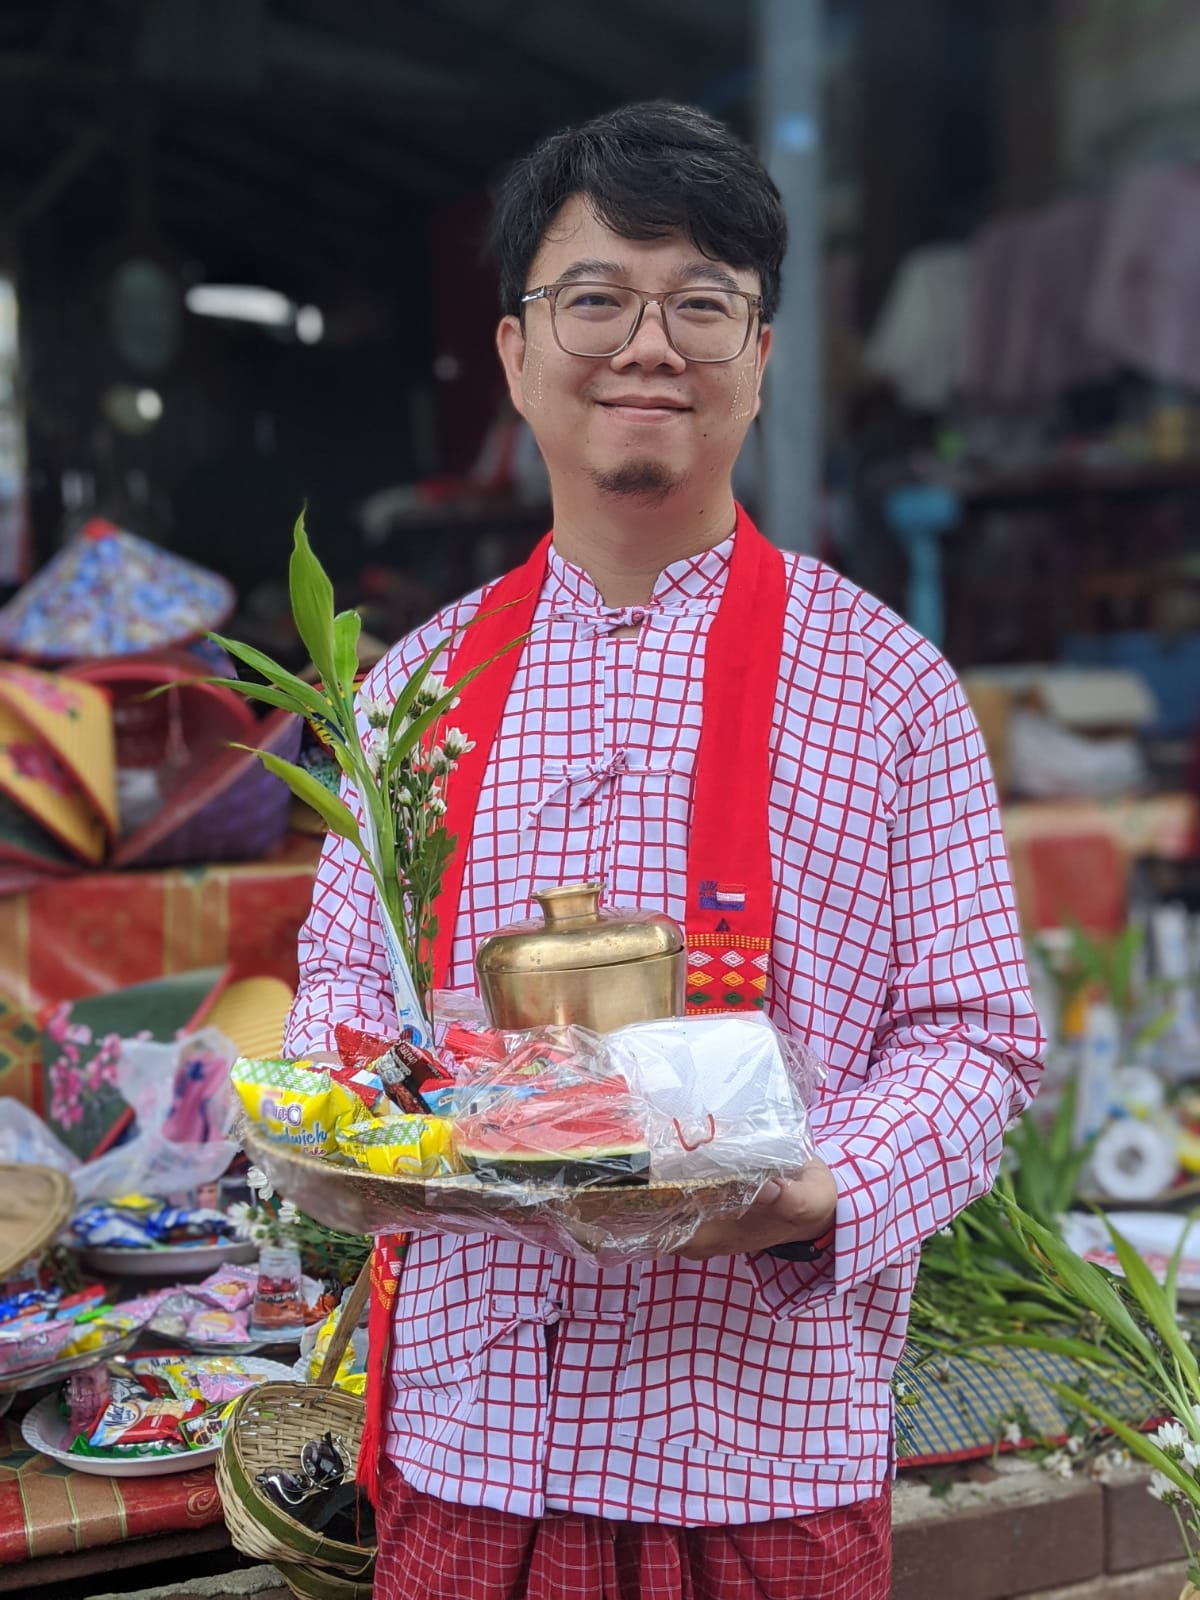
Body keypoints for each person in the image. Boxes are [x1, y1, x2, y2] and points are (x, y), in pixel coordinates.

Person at [285, 101, 1046, 1600]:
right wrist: (331, 1130)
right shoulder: (409, 696)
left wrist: (823, 1186)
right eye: (595, 298)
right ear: (514, 352)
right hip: (468, 1458)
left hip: (763, 1463)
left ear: (761, 356)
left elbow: (977, 1041)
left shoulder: (887, 685)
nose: (650, 342)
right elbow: (339, 997)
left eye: (703, 302)